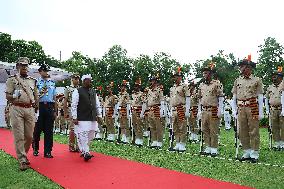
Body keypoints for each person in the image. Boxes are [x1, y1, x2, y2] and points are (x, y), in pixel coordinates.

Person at [5, 57, 38, 171]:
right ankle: (22, 159)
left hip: (29, 109)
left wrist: (36, 107)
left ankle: (23, 154)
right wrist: (14, 95)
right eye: (21, 65)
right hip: (16, 109)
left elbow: (35, 95)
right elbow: (8, 96)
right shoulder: (11, 80)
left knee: (29, 136)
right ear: (17, 66)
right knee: (19, 136)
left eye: (25, 65)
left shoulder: (32, 80)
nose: (24, 67)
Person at [231, 57, 264, 163]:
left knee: (254, 130)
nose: (240, 68)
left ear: (248, 68)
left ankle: (254, 153)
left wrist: (261, 111)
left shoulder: (257, 80)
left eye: (242, 66)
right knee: (242, 130)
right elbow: (234, 96)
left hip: (252, 106)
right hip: (241, 107)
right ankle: (247, 151)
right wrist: (233, 109)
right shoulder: (238, 80)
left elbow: (260, 96)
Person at [71, 74, 103, 161]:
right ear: (84, 81)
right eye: (88, 80)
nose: (90, 81)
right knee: (82, 134)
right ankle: (86, 152)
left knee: (92, 134)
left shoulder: (93, 91)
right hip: (81, 117)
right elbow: (74, 105)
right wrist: (74, 117)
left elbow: (97, 104)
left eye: (90, 80)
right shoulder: (77, 91)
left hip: (92, 117)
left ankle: (84, 149)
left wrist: (99, 115)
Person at [198, 63, 224, 157]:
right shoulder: (201, 85)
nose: (204, 75)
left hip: (213, 109)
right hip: (204, 109)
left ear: (211, 74)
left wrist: (220, 110)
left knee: (213, 130)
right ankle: (208, 147)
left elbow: (220, 97)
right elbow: (200, 98)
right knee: (205, 129)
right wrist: (199, 110)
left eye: (206, 73)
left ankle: (214, 148)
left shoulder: (216, 84)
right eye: (203, 73)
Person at [32, 64, 57, 158]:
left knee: (49, 131)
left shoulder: (52, 83)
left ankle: (48, 151)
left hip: (49, 106)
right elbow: (34, 96)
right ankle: (35, 148)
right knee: (37, 130)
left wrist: (55, 111)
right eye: (44, 70)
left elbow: (54, 97)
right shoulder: (36, 83)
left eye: (47, 71)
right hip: (40, 107)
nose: (46, 72)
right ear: (40, 72)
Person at [169, 69, 190, 152]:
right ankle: (177, 142)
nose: (175, 78)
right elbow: (171, 100)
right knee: (175, 127)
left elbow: (188, 98)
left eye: (176, 77)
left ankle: (182, 143)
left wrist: (187, 110)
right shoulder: (172, 88)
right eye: (174, 77)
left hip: (181, 108)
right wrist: (170, 110)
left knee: (182, 127)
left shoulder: (184, 86)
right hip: (174, 109)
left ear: (180, 77)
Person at [143, 75, 165, 148]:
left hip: (156, 108)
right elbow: (146, 101)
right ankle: (154, 140)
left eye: (152, 81)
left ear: (155, 81)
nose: (151, 82)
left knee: (158, 126)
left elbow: (162, 99)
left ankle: (159, 141)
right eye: (151, 81)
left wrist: (162, 109)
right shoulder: (149, 90)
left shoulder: (159, 89)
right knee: (152, 126)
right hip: (150, 109)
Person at [63, 73, 80, 152]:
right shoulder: (68, 88)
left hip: (79, 109)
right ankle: (71, 145)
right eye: (75, 79)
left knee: (80, 128)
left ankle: (79, 145)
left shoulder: (81, 89)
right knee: (72, 128)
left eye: (78, 79)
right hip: (71, 108)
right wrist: (65, 111)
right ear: (72, 79)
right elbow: (65, 100)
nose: (77, 80)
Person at [268, 68, 284, 150]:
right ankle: (277, 143)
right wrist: (267, 110)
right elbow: (267, 98)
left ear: (281, 78)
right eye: (273, 77)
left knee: (283, 126)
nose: (273, 78)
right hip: (273, 109)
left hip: (282, 109)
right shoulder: (270, 87)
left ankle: (283, 143)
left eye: (275, 77)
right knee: (274, 127)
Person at [131, 78, 144, 146]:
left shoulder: (141, 94)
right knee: (134, 125)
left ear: (139, 87)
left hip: (139, 110)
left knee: (139, 125)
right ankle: (136, 138)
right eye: (135, 86)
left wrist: (142, 112)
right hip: (133, 110)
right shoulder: (133, 94)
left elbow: (144, 103)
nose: (136, 87)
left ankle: (140, 139)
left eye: (137, 86)